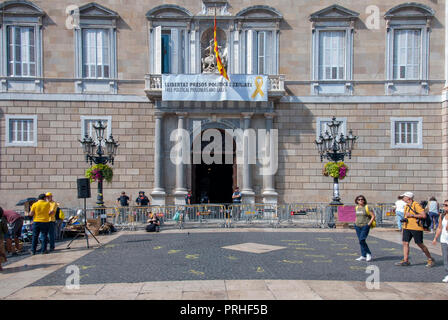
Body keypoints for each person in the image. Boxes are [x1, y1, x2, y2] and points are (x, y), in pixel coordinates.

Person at [395, 192, 435, 267]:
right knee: (405, 243)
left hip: (416, 228)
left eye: (404, 196)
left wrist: (412, 215)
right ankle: (405, 260)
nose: (403, 198)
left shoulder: (416, 205)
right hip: (407, 227)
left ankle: (430, 258)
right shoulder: (406, 205)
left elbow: (423, 215)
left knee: (419, 244)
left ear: (409, 198)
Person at [354, 195, 375, 262]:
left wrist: (369, 223)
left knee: (362, 240)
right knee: (360, 241)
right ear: (357, 201)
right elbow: (356, 216)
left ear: (364, 200)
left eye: (362, 199)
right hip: (357, 226)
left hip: (365, 225)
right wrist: (355, 222)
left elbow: (373, 216)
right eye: (359, 199)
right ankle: (363, 255)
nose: (360, 200)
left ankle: (368, 253)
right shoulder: (356, 207)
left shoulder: (367, 207)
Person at [432, 199, 448, 282]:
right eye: (444, 205)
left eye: (446, 205)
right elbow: (439, 228)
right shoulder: (442, 216)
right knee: (445, 257)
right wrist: (435, 238)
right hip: (444, 239)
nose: (444, 207)